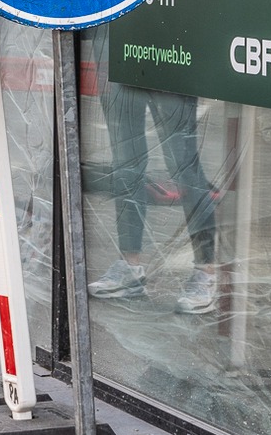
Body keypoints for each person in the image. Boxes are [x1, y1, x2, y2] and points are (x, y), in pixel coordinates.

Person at [87, 79, 222, 314]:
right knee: (126, 164)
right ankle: (129, 267)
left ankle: (206, 271)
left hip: (168, 56)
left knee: (183, 165)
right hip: (121, 56)